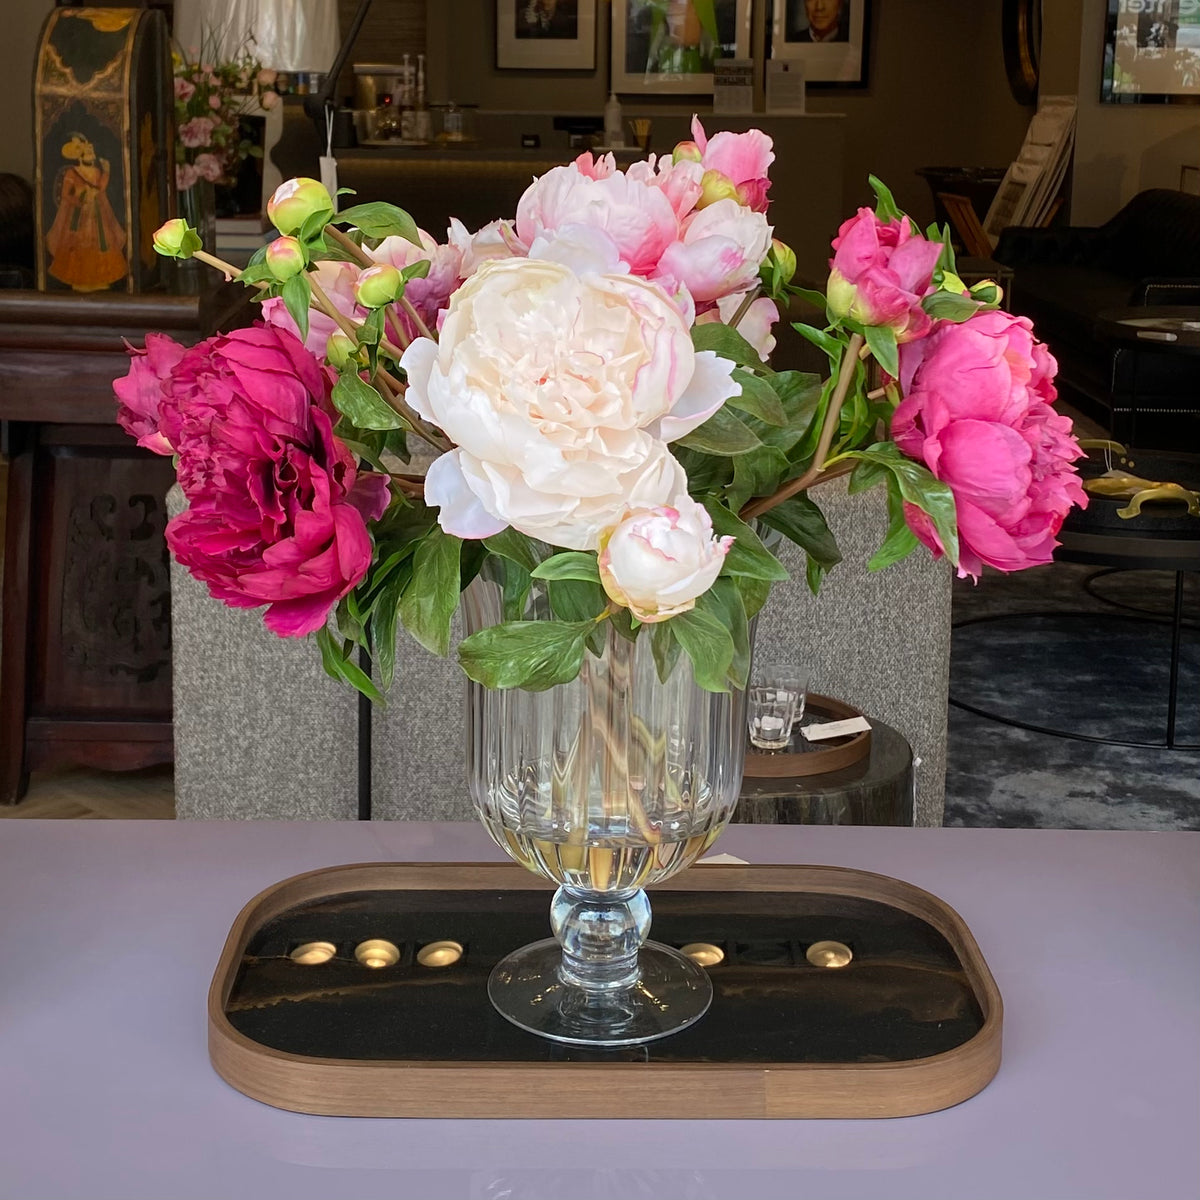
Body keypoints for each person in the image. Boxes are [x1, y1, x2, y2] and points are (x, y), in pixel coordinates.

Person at [45, 132, 127, 291]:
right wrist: (81, 199)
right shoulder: (72, 172)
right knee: (78, 247)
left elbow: (101, 188)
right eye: (89, 153)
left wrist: (106, 172)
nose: (92, 155)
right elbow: (65, 195)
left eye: (92, 153)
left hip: (97, 215)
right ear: (80, 155)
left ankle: (100, 279)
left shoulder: (96, 172)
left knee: (101, 245)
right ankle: (79, 280)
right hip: (79, 217)